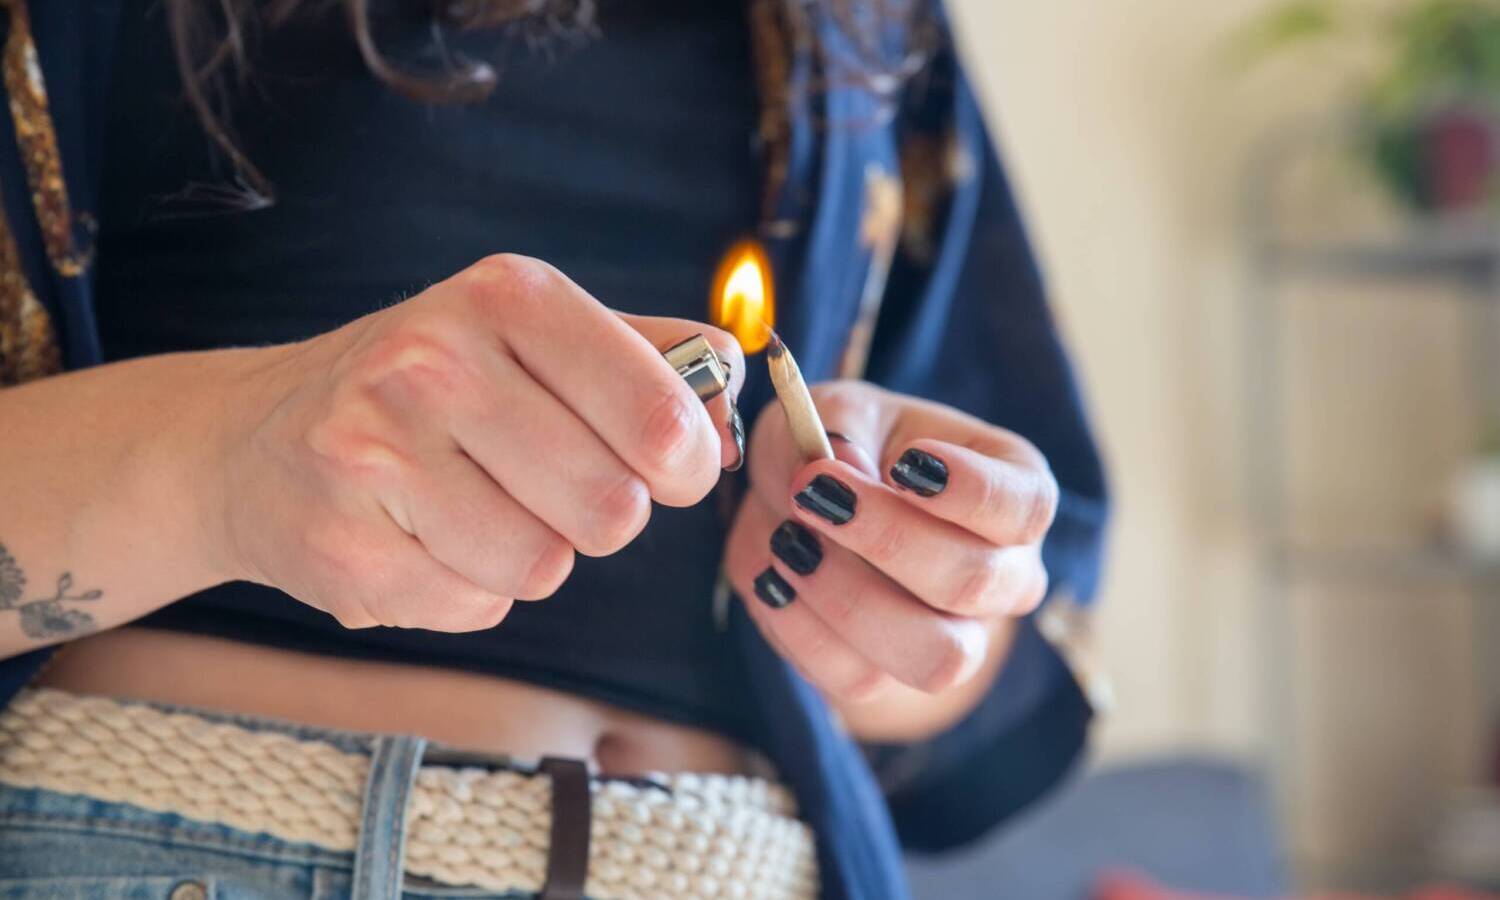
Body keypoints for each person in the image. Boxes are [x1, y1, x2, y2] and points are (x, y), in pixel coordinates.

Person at [0, 1, 1109, 898]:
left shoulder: (865, 26)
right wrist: (230, 456)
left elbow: (986, 735)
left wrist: (907, 596)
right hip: (185, 838)